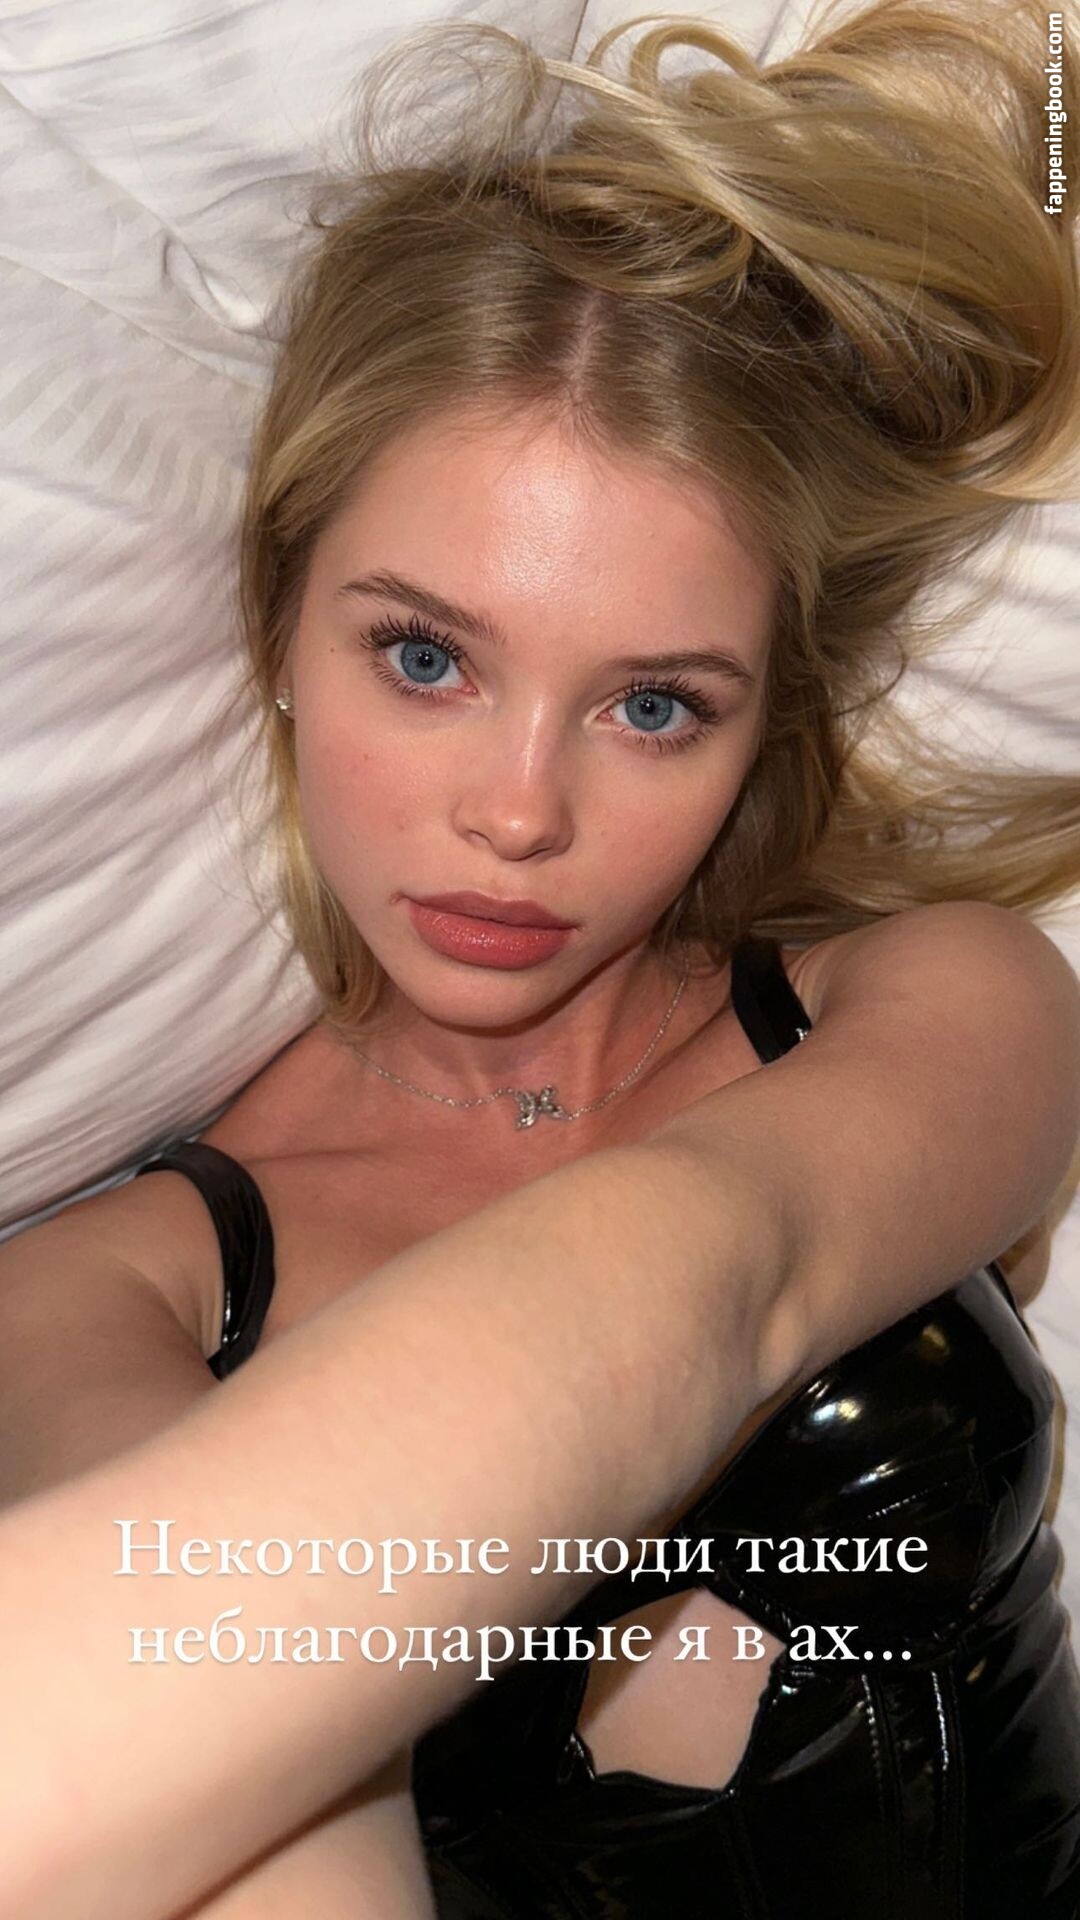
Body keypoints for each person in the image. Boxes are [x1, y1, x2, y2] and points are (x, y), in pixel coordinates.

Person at [1, 0, 1080, 1914]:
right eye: (425, 657)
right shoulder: (104, 1294)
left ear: (760, 725)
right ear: (277, 627)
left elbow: (726, 1273)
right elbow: (251, 1803)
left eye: (654, 706)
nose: (518, 815)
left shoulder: (944, 1002)